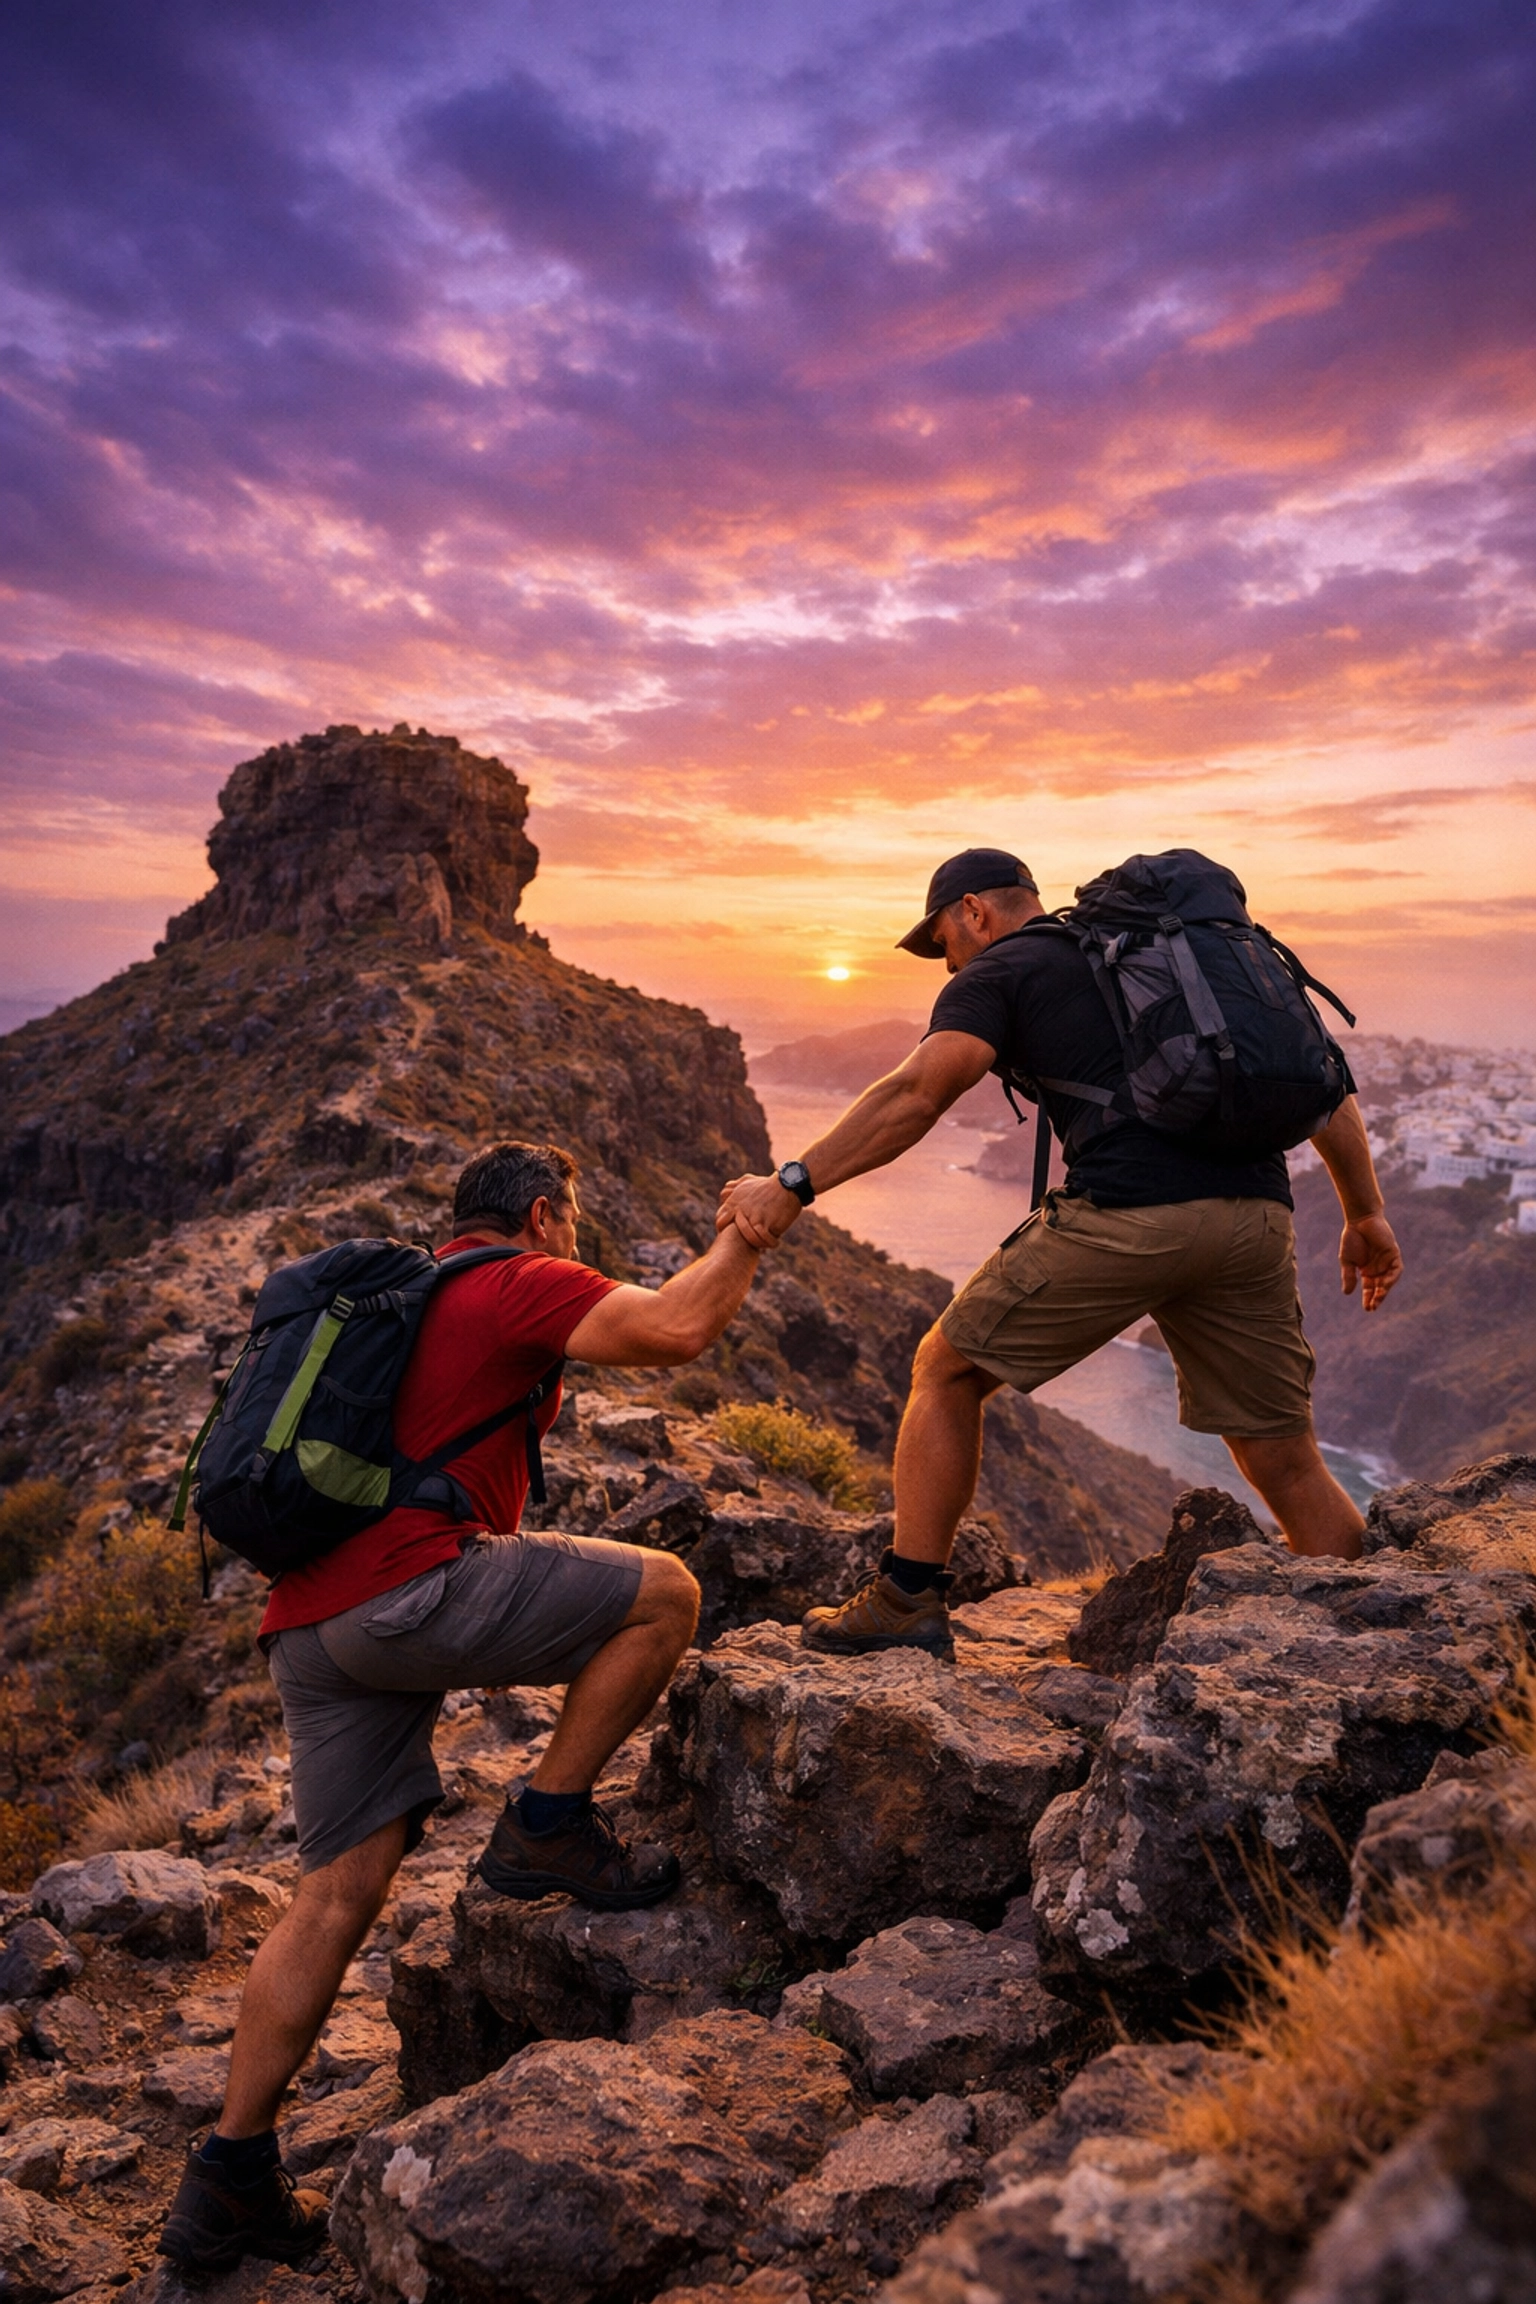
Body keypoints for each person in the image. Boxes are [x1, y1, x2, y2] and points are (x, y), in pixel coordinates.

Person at [160, 1139, 765, 2275]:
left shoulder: (406, 1298)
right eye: (574, 1223)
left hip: (312, 1631)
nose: (575, 1242)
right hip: (411, 1594)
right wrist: (748, 1229)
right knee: (666, 1595)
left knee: (333, 1895)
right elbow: (677, 1329)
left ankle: (225, 2178)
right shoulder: (515, 1280)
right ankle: (547, 1827)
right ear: (542, 1216)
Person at [720, 848, 1404, 1661]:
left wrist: (792, 1184)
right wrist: (1365, 1215)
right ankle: (1374, 1636)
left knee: (947, 1371)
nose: (946, 958)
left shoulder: (1002, 968)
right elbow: (1323, 1089)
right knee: (1285, 1458)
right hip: (1254, 1220)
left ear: (973, 911)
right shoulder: (1180, 967)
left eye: (941, 940)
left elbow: (918, 1092)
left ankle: (907, 1602)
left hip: (1133, 1214)